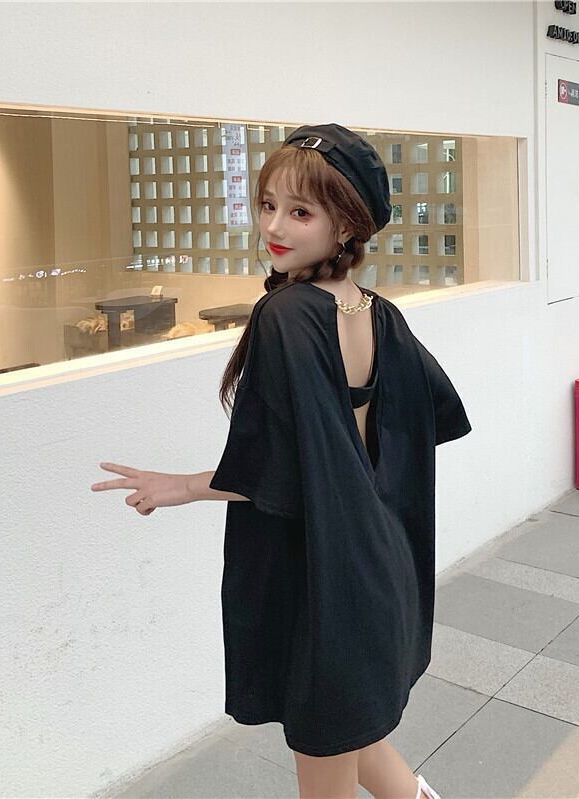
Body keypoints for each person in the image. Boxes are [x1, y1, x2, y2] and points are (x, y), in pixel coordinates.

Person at [91, 123, 472, 799]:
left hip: (321, 574)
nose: (274, 225)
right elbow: (411, 428)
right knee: (355, 731)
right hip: (377, 564)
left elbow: (280, 466)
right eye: (268, 204)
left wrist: (179, 486)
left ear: (346, 224)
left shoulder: (288, 314)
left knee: (328, 743)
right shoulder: (377, 313)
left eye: (300, 212)